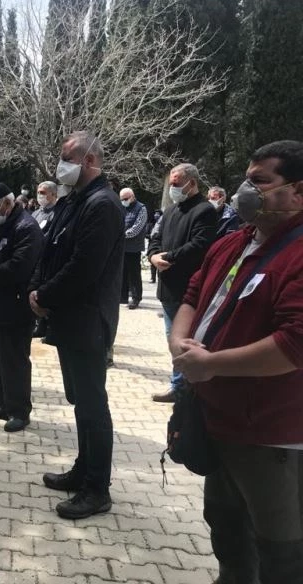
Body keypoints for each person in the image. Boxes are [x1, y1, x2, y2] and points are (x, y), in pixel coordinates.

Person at [170, 140, 303, 584]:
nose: (247, 189)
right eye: (247, 178)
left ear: (298, 192)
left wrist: (212, 365)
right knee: (226, 526)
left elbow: (292, 345)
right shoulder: (234, 242)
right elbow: (192, 296)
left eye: (261, 181)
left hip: (269, 434)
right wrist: (179, 344)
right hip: (218, 419)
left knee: (279, 549)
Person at [27, 131, 124, 520]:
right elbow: (51, 251)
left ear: (88, 161)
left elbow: (84, 268)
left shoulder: (102, 205)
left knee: (92, 404)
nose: (60, 164)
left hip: (88, 319)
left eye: (67, 157)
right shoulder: (75, 201)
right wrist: (38, 287)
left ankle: (97, 489)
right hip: (69, 316)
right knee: (81, 402)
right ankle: (84, 470)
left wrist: (44, 296)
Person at [0, 183, 43, 433]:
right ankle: (1, 402)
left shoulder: (26, 227)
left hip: (14, 306)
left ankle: (19, 411)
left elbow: (20, 265)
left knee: (14, 360)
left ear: (6, 203)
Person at [147, 164, 217, 402]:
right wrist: (153, 255)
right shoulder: (170, 211)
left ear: (192, 183)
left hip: (187, 290)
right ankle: (179, 386)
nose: (173, 188)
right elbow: (155, 237)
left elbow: (199, 245)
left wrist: (168, 257)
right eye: (171, 184)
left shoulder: (205, 210)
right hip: (167, 288)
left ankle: (186, 388)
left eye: (177, 184)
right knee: (172, 339)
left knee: (185, 340)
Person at [119, 187, 148, 310]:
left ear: (132, 196)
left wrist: (121, 235)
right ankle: (122, 297)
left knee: (134, 274)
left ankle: (136, 298)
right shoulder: (122, 208)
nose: (123, 201)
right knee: (122, 273)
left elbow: (137, 228)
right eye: (122, 199)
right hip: (122, 247)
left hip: (134, 247)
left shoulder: (141, 208)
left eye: (125, 199)